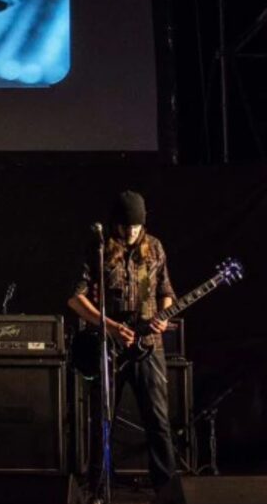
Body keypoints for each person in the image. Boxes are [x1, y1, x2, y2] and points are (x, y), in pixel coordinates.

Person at [68, 191, 176, 500]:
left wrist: (163, 316)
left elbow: (166, 290)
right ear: (114, 224)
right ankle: (99, 488)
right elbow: (76, 298)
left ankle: (166, 488)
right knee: (104, 419)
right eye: (126, 226)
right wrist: (112, 328)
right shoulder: (98, 250)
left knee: (158, 419)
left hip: (149, 345)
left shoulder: (154, 247)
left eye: (136, 227)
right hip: (109, 346)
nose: (131, 232)